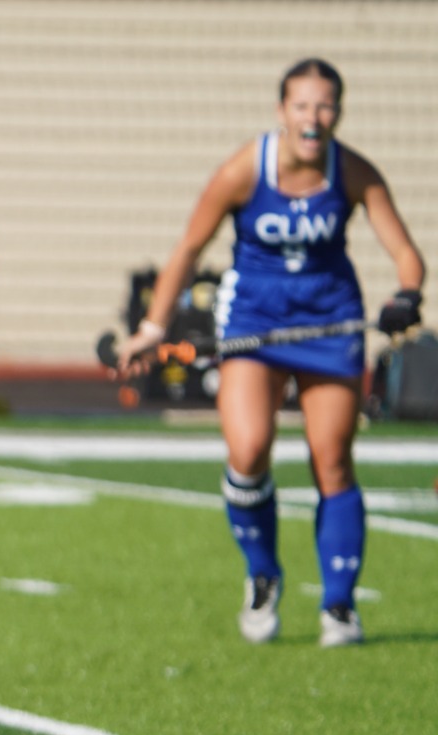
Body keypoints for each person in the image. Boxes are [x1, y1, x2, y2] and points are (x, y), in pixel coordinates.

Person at [118, 58, 424, 647]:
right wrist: (154, 326)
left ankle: (339, 606)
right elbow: (189, 247)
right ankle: (262, 575)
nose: (314, 118)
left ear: (340, 110)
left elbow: (406, 254)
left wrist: (407, 295)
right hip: (253, 324)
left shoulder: (354, 172)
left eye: (326, 105)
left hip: (331, 325)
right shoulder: (242, 169)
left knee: (331, 458)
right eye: (303, 106)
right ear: (283, 111)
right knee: (249, 448)